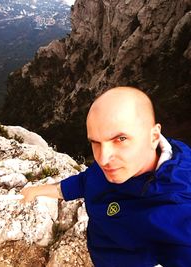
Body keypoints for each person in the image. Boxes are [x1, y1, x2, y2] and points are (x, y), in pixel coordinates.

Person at [21, 86, 191, 267]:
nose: (103, 158)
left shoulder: (177, 208)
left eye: (121, 139)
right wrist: (37, 190)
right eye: (95, 142)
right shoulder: (118, 166)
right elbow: (85, 181)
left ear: (153, 137)